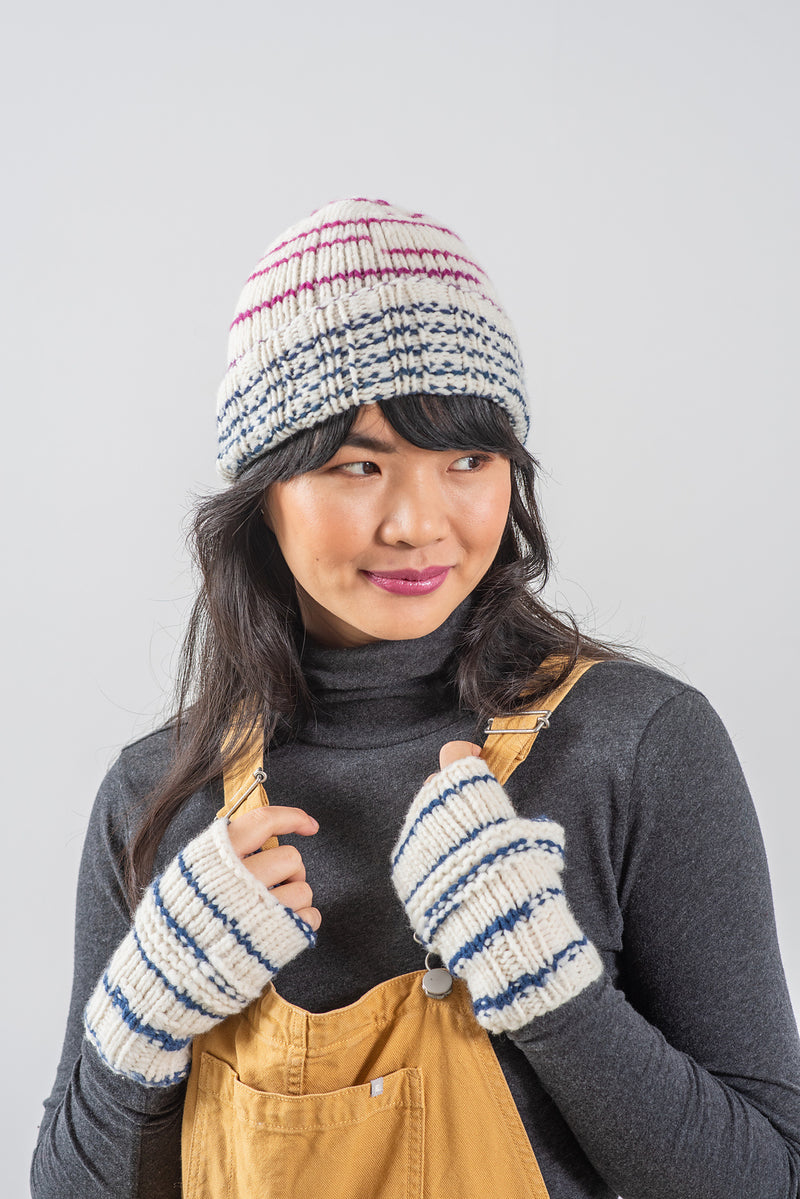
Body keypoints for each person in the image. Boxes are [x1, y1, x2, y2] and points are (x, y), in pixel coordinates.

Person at [32, 197, 800, 1199]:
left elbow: (767, 1177)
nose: (418, 522)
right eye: (358, 464)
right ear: (264, 492)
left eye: (467, 460)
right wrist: (138, 1027)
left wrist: (553, 991)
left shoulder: (634, 746)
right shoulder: (158, 796)